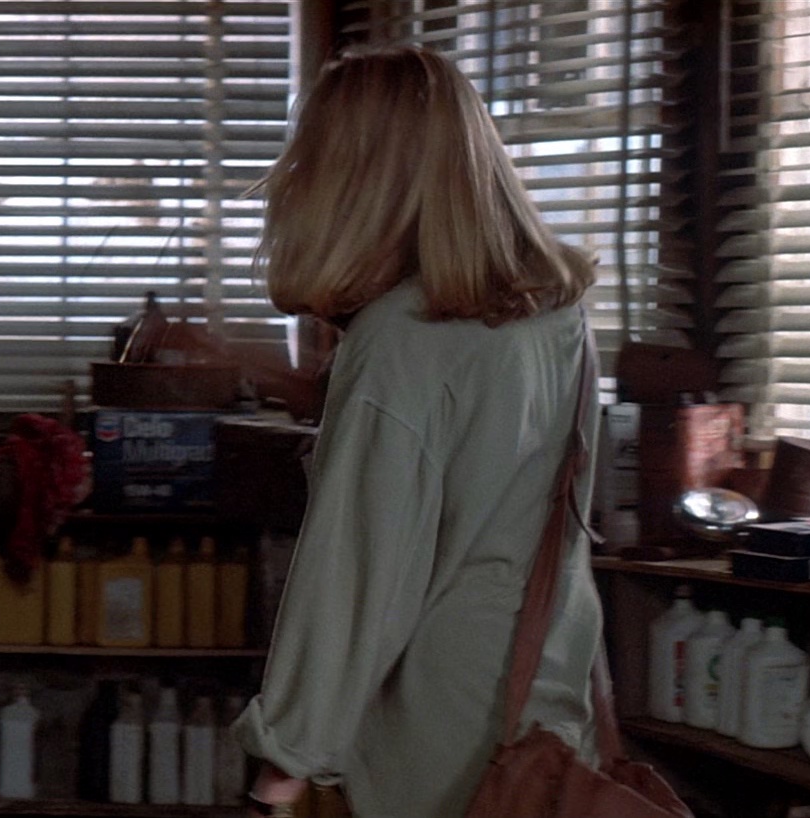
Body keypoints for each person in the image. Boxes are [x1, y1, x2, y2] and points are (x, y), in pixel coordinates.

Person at [232, 46, 606, 818]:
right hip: (546, 686)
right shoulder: (554, 313)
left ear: (353, 179)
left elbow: (359, 568)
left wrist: (287, 756)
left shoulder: (402, 339)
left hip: (441, 725)